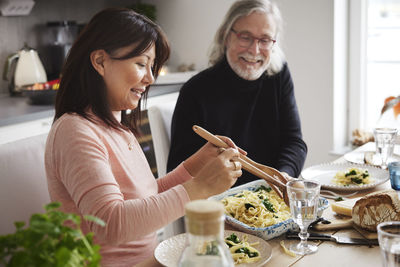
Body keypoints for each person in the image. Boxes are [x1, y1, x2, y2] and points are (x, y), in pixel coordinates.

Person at [44, 8, 243, 267]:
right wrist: (200, 187)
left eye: (152, 67)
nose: (150, 78)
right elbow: (110, 223)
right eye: (141, 64)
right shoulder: (75, 131)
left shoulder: (116, 125)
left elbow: (145, 199)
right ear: (100, 61)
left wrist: (196, 166)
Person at [167, 0, 307, 186]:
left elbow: (294, 142)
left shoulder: (278, 76)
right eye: (245, 37)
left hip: (270, 195)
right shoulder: (195, 91)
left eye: (264, 40)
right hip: (216, 202)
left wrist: (283, 177)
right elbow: (178, 171)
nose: (254, 50)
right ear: (226, 36)